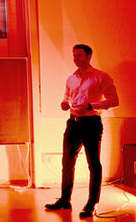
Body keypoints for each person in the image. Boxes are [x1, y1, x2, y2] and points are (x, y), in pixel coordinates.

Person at [45, 44, 119, 218]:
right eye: (74, 56)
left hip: (92, 123)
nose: (75, 59)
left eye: (79, 55)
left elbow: (114, 100)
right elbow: (67, 96)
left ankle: (91, 203)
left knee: (94, 164)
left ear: (88, 56)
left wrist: (92, 105)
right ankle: (65, 200)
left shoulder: (101, 77)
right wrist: (64, 103)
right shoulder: (71, 78)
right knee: (67, 162)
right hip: (73, 123)